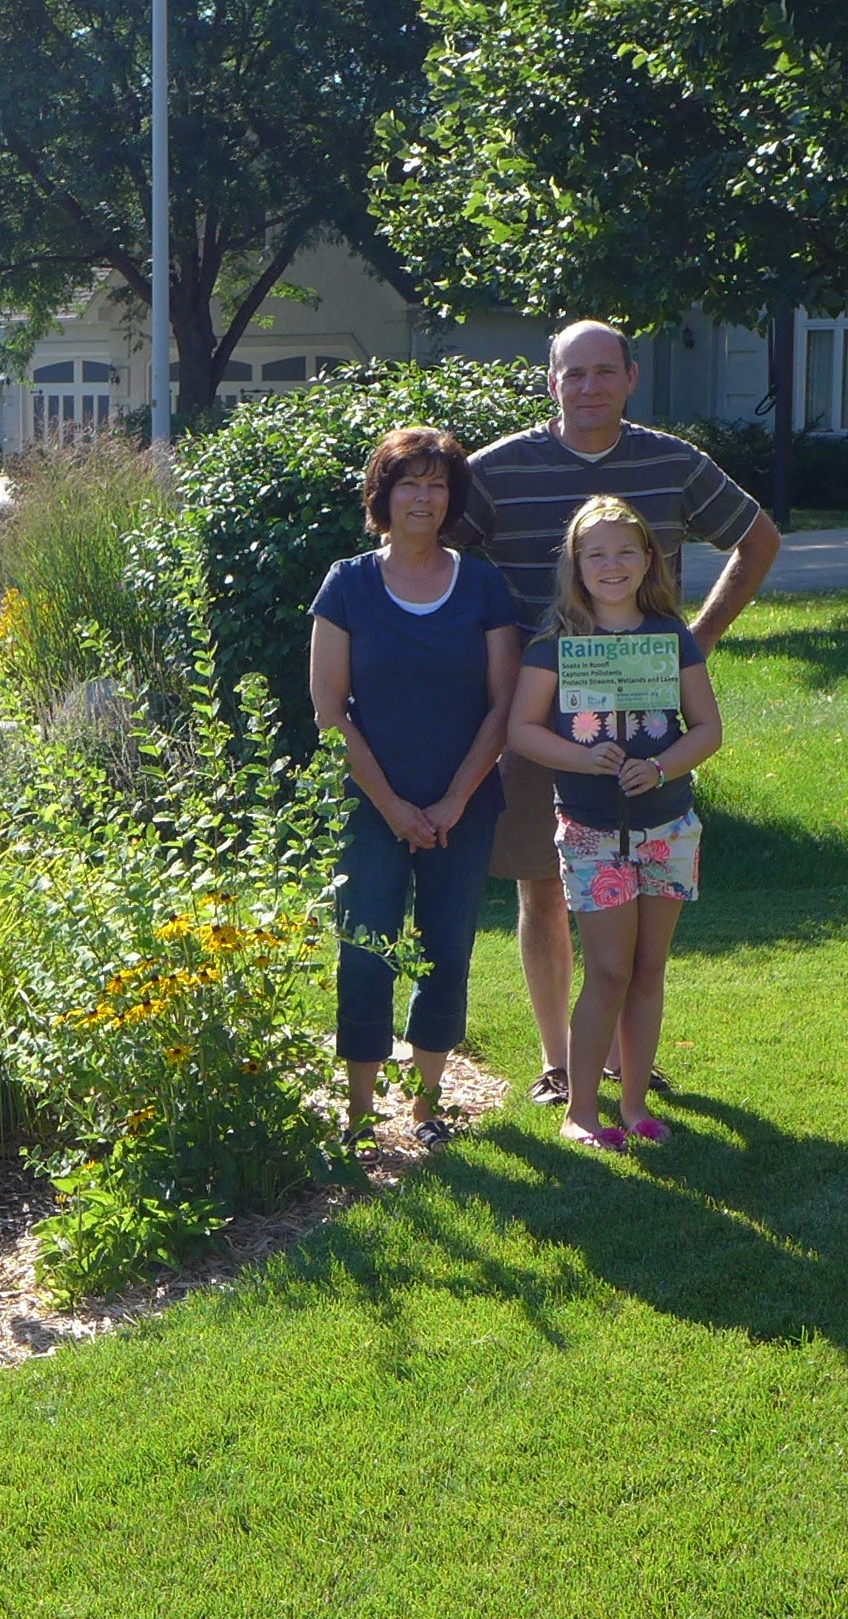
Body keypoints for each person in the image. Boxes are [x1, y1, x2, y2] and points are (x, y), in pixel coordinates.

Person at [447, 320, 779, 1108]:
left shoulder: (672, 461)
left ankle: (624, 1064)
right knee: (543, 883)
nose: (588, 386)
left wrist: (691, 643)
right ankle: (560, 1060)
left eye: (604, 371)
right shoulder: (496, 471)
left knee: (638, 902)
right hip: (536, 717)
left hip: (647, 733)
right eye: (573, 373)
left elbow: (758, 539)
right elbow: (441, 559)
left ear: (630, 376)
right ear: (550, 381)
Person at [310, 428, 520, 1145]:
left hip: (465, 804)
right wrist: (395, 807)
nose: (422, 497)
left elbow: (503, 705)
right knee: (364, 949)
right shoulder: (347, 583)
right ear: (383, 495)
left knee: (445, 951)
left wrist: (454, 800)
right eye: (408, 483)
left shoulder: (483, 584)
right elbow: (329, 711)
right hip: (373, 806)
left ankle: (428, 1109)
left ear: (451, 495)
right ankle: (359, 1113)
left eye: (436, 483)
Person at [507, 496, 722, 1151]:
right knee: (607, 969)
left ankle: (632, 1104)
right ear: (575, 563)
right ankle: (579, 1107)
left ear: (647, 558)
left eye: (625, 550)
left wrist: (657, 770)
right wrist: (582, 757)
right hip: (593, 830)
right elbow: (521, 729)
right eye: (595, 553)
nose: (611, 564)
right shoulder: (557, 643)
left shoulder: (668, 635)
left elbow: (707, 728)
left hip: (667, 825)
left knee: (648, 967)